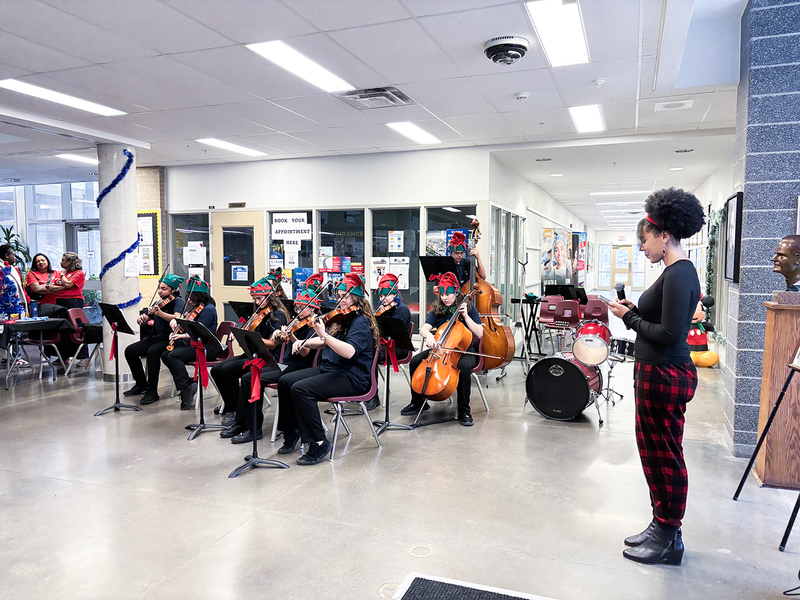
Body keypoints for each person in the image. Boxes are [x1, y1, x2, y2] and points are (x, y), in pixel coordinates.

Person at [606, 187, 705, 566]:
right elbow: (663, 319)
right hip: (655, 373)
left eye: (643, 241)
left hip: (665, 374)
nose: (642, 248)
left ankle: (669, 534)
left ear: (664, 235)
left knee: (665, 454)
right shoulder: (672, 273)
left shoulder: (679, 274)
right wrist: (635, 310)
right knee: (653, 451)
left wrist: (629, 318)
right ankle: (660, 523)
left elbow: (669, 335)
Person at [276, 273, 378, 465]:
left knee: (301, 389)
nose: (341, 301)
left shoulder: (360, 323)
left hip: (352, 377)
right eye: (339, 296)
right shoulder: (341, 319)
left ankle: (319, 442)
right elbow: (324, 342)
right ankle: (292, 431)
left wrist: (323, 336)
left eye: (345, 297)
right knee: (285, 380)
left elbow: (348, 351)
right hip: (333, 369)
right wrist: (303, 342)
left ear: (356, 298)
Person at [222, 275, 322, 444]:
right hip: (285, 363)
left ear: (312, 309)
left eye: (301, 308)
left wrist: (291, 337)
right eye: (296, 308)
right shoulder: (295, 322)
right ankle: (241, 422)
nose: (297, 312)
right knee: (248, 377)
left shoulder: (315, 326)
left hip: (300, 368)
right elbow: (278, 343)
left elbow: (304, 354)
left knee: (252, 377)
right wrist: (279, 335)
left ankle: (254, 429)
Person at [401, 271, 483, 427]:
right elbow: (424, 329)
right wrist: (430, 337)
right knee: (415, 361)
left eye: (448, 294)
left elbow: (479, 332)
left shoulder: (469, 309)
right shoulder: (437, 309)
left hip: (464, 351)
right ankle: (418, 402)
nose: (445, 297)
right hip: (441, 349)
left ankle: (464, 410)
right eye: (442, 294)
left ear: (456, 292)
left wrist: (466, 317)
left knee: (464, 368)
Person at [212, 277, 288, 424]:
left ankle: (237, 410)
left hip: (267, 358)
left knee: (228, 369)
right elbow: (250, 336)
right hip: (253, 353)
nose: (257, 303)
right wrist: (241, 334)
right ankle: (232, 404)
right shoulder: (258, 313)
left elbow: (273, 344)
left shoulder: (278, 315)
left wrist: (250, 337)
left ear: (269, 297)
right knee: (217, 370)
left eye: (259, 299)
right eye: (255, 299)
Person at [125, 274, 185, 404]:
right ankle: (141, 384)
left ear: (172, 290)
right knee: (130, 350)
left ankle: (152, 391)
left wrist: (160, 313)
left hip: (173, 339)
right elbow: (147, 317)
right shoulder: (158, 303)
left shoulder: (177, 301)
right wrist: (142, 318)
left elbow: (177, 318)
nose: (160, 291)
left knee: (153, 352)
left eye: (164, 289)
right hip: (159, 337)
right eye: (159, 288)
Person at [161, 276, 219, 410]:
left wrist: (180, 336)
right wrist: (177, 321)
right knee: (165, 354)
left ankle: (186, 388)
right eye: (188, 296)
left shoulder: (208, 310)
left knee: (173, 356)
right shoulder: (197, 308)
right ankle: (186, 385)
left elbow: (199, 332)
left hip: (207, 348)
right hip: (194, 344)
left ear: (201, 296)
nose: (190, 299)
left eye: (192, 297)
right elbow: (188, 322)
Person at [365, 272, 411, 410]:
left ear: (395, 294)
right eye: (380, 296)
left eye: (386, 295)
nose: (383, 298)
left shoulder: (401, 310)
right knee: (363, 351)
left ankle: (373, 397)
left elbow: (393, 333)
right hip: (384, 345)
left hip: (398, 348)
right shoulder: (383, 308)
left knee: (370, 355)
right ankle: (364, 391)